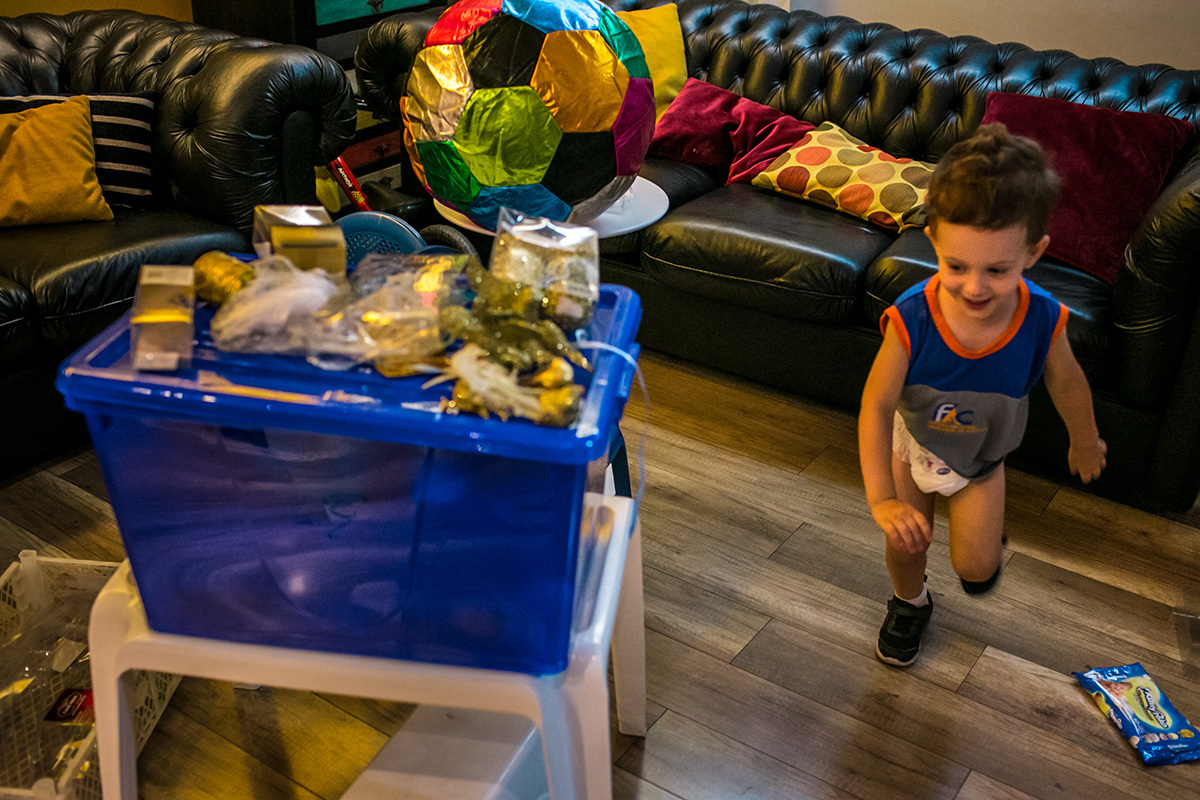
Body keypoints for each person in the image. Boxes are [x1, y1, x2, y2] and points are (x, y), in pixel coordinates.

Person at [858, 123, 1107, 667]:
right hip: (916, 446)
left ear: (1034, 252)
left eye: (997, 269)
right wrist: (883, 498)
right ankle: (910, 601)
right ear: (935, 244)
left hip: (983, 458)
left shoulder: (1042, 318)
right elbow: (876, 405)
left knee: (976, 569)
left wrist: (1085, 439)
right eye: (956, 266)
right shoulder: (911, 320)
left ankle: (984, 544)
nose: (974, 288)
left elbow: (1066, 379)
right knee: (907, 543)